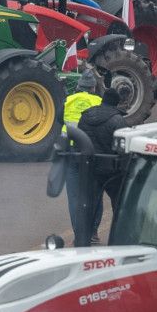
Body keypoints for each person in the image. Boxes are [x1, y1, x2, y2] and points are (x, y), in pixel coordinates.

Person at [78, 88, 128, 244]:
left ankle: (87, 236)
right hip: (112, 170)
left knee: (89, 203)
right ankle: (119, 235)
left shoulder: (86, 116)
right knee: (119, 203)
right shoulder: (117, 120)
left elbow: (81, 140)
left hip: (90, 168)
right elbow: (122, 147)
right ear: (116, 102)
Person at [61, 70, 104, 244]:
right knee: (95, 194)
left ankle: (79, 233)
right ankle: (92, 232)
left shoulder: (68, 101)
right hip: (91, 153)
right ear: (93, 87)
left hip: (71, 153)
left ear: (78, 87)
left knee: (74, 197)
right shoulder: (99, 102)